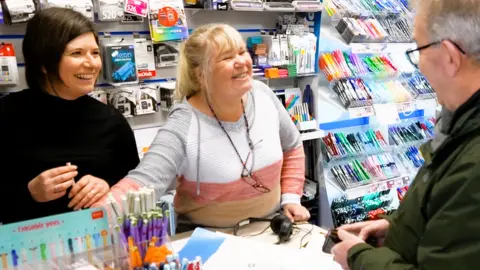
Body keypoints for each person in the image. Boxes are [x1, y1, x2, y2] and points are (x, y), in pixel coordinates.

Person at [97, 23, 310, 231]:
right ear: (201, 75)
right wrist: (93, 218)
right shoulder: (184, 122)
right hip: (207, 240)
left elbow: (292, 146)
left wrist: (290, 198)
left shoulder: (263, 94)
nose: (241, 62)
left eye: (242, 51)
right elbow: (144, 182)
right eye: (227, 57)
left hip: (270, 229)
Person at [331, 0, 480, 269]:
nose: (419, 66)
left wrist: (358, 258)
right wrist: (397, 227)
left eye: (418, 49)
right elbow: (448, 222)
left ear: (449, 57)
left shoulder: (473, 161)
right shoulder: (459, 124)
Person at [0, 8, 139, 224]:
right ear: (44, 63)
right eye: (77, 53)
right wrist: (30, 192)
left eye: (94, 53)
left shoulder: (111, 120)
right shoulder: (7, 115)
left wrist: (108, 185)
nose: (92, 63)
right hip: (28, 251)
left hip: (101, 245)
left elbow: (135, 185)